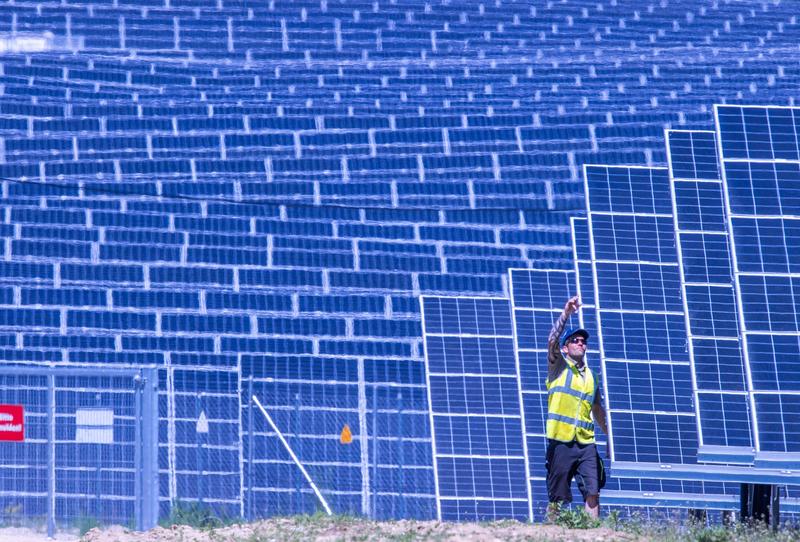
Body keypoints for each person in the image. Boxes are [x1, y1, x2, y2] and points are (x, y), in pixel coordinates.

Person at [545, 295, 608, 520]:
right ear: (566, 348)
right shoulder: (558, 366)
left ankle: (592, 533)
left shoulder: (592, 377)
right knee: (557, 495)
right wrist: (566, 314)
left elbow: (597, 408)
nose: (581, 344)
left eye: (583, 341)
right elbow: (552, 340)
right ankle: (550, 531)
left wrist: (609, 435)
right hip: (561, 441)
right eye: (575, 340)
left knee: (593, 489)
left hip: (585, 442)